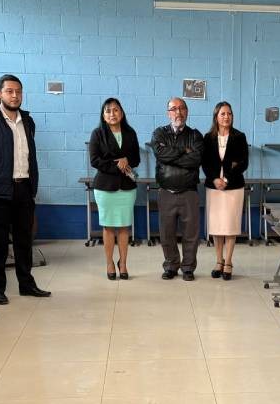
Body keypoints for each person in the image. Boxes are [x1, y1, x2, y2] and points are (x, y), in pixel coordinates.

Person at [0, 74, 51, 304]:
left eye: (18, 91)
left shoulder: (27, 121)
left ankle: (26, 284)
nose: (15, 95)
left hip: (23, 189)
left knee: (24, 241)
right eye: (9, 91)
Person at [149, 97, 204, 281]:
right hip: (166, 192)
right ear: (168, 113)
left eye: (181, 108)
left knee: (191, 233)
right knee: (167, 233)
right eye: (173, 109)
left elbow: (195, 160)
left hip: (189, 192)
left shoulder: (195, 136)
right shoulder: (159, 133)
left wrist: (171, 154)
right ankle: (171, 265)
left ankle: (188, 267)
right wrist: (183, 151)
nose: (178, 112)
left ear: (187, 112)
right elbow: (160, 154)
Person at [89, 97, 140, 280]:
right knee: (109, 227)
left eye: (116, 110)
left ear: (122, 113)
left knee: (125, 227)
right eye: (108, 111)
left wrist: (127, 160)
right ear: (103, 115)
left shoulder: (130, 132)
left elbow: (136, 159)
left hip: (127, 187)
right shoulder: (97, 134)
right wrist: (117, 164)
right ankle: (110, 263)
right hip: (105, 187)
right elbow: (95, 160)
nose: (112, 114)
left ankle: (123, 263)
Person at [201, 101, 248, 281]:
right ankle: (218, 261)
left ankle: (228, 262)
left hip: (233, 186)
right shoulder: (208, 137)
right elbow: (204, 162)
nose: (226, 117)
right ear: (216, 117)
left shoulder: (239, 137)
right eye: (223, 114)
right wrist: (214, 178)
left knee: (230, 225)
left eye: (229, 113)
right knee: (216, 226)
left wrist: (226, 178)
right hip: (213, 187)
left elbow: (243, 162)